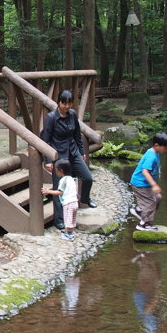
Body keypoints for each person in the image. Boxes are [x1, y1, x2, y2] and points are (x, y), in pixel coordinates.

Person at [39, 89, 95, 230]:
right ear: (59, 102)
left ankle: (85, 199)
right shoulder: (51, 118)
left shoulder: (72, 114)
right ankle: (59, 219)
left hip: (73, 151)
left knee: (87, 177)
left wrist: (81, 151)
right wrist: (48, 160)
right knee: (59, 187)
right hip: (58, 155)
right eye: (64, 103)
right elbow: (45, 139)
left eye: (69, 103)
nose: (67, 106)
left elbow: (77, 134)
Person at [129, 131, 167, 231]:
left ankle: (139, 210)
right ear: (157, 145)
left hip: (145, 184)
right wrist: (154, 185)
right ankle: (142, 224)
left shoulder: (155, 152)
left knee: (157, 197)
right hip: (140, 184)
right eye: (164, 148)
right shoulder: (151, 156)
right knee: (150, 202)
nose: (165, 150)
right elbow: (145, 171)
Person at [42, 159, 78, 241]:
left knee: (68, 220)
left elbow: (60, 192)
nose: (55, 172)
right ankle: (70, 232)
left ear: (61, 170)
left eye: (56, 170)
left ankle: (69, 235)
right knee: (72, 219)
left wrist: (48, 191)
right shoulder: (71, 179)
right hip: (75, 202)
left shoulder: (63, 180)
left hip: (68, 203)